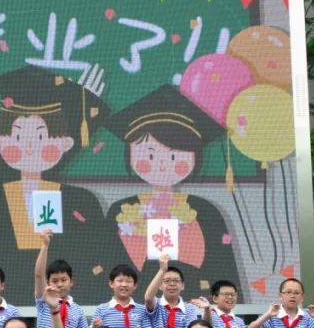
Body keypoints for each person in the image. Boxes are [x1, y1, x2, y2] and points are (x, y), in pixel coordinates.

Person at [0, 65, 113, 300]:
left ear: (65, 143)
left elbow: (92, 263)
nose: (29, 146)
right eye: (17, 136)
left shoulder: (80, 202)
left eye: (41, 136)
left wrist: (79, 109)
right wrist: (78, 108)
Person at [103, 83, 240, 293]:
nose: (162, 164)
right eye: (150, 155)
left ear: (195, 157)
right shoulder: (121, 211)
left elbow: (221, 270)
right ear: (130, 154)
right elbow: (108, 266)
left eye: (175, 156)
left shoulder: (204, 211)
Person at [92, 264, 152, 328]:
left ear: (135, 285)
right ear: (111, 283)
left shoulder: (142, 310)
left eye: (128, 281)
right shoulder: (101, 309)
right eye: (120, 281)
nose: (124, 284)